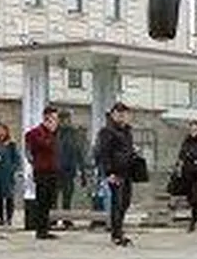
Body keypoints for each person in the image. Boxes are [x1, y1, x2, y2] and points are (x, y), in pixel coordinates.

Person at [92, 101, 140, 246]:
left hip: (127, 172)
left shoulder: (127, 131)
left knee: (125, 202)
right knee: (117, 203)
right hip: (116, 173)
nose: (121, 117)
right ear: (113, 115)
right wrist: (109, 173)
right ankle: (116, 234)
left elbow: (126, 150)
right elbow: (103, 153)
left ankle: (118, 229)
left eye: (124, 114)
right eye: (118, 114)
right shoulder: (107, 131)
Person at [24, 105, 62, 240]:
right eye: (54, 119)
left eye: (57, 119)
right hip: (42, 171)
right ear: (46, 118)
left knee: (49, 201)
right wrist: (34, 163)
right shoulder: (36, 133)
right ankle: (40, 230)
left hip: (53, 171)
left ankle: (45, 228)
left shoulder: (54, 133)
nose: (56, 122)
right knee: (42, 200)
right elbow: (38, 146)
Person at [0, 123, 20, 227]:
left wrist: (13, 169)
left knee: (9, 196)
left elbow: (16, 159)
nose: (0, 132)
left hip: (8, 174)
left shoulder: (11, 144)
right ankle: (1, 218)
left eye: (2, 130)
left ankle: (9, 218)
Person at [57, 109, 85, 211]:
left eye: (67, 119)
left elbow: (79, 152)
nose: (65, 121)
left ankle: (66, 219)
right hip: (55, 170)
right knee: (54, 197)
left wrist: (83, 172)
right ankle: (53, 219)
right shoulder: (54, 133)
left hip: (69, 171)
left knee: (67, 196)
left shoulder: (74, 134)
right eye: (62, 119)